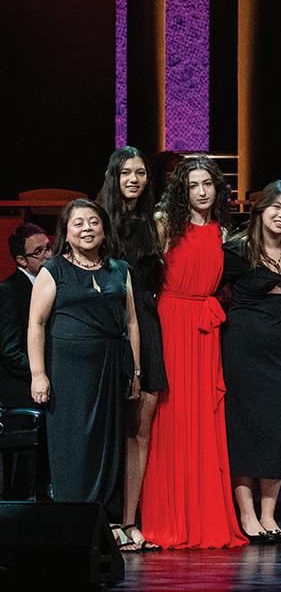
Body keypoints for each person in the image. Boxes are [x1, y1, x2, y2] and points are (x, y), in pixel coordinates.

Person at [141, 155, 248, 549]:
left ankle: (205, 516)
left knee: (204, 417)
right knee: (172, 416)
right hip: (172, 323)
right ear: (182, 191)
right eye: (193, 186)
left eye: (208, 184)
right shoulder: (165, 224)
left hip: (205, 331)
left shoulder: (221, 230)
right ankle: (169, 519)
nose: (202, 192)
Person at [26, 200, 138, 534]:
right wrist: (38, 374)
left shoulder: (119, 269)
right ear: (66, 231)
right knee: (73, 447)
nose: (87, 228)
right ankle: (74, 525)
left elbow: (132, 322)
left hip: (110, 367)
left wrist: (134, 370)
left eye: (93, 222)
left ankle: (109, 524)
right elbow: (36, 323)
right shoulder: (54, 270)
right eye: (78, 223)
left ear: (104, 228)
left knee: (109, 445)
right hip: (69, 374)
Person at [223, 181, 281, 543]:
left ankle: (269, 514)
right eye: (276, 207)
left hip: (280, 355)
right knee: (243, 432)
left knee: (275, 433)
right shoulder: (236, 251)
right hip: (241, 352)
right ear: (260, 210)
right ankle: (247, 514)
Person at [96, 146, 167, 551]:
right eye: (126, 173)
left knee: (140, 428)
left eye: (140, 173)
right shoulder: (97, 220)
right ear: (113, 176)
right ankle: (104, 519)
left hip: (148, 322)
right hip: (109, 322)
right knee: (110, 427)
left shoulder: (155, 223)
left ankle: (130, 519)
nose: (133, 180)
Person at [0, 223, 50, 409]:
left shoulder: (54, 284)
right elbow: (10, 352)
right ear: (21, 260)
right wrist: (43, 373)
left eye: (49, 247)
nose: (48, 255)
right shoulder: (9, 292)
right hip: (25, 391)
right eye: (39, 251)